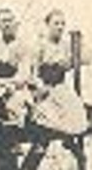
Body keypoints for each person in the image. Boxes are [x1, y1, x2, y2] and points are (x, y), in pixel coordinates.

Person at [28, 8, 88, 136]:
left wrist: (79, 44)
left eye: (62, 24)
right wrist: (40, 87)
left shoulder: (66, 46)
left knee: (77, 114)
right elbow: (32, 72)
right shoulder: (40, 45)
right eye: (56, 23)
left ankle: (69, 140)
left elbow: (87, 58)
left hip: (61, 88)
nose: (60, 27)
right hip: (44, 89)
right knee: (48, 117)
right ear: (47, 25)